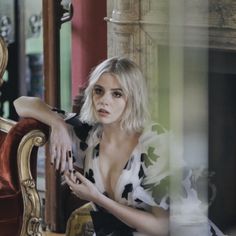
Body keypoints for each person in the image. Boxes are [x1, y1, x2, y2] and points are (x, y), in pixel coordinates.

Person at [14, 57, 224, 236]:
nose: (104, 101)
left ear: (133, 98)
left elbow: (161, 227)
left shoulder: (156, 145)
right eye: (99, 91)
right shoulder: (88, 133)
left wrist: (95, 198)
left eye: (117, 94)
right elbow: (21, 103)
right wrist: (57, 123)